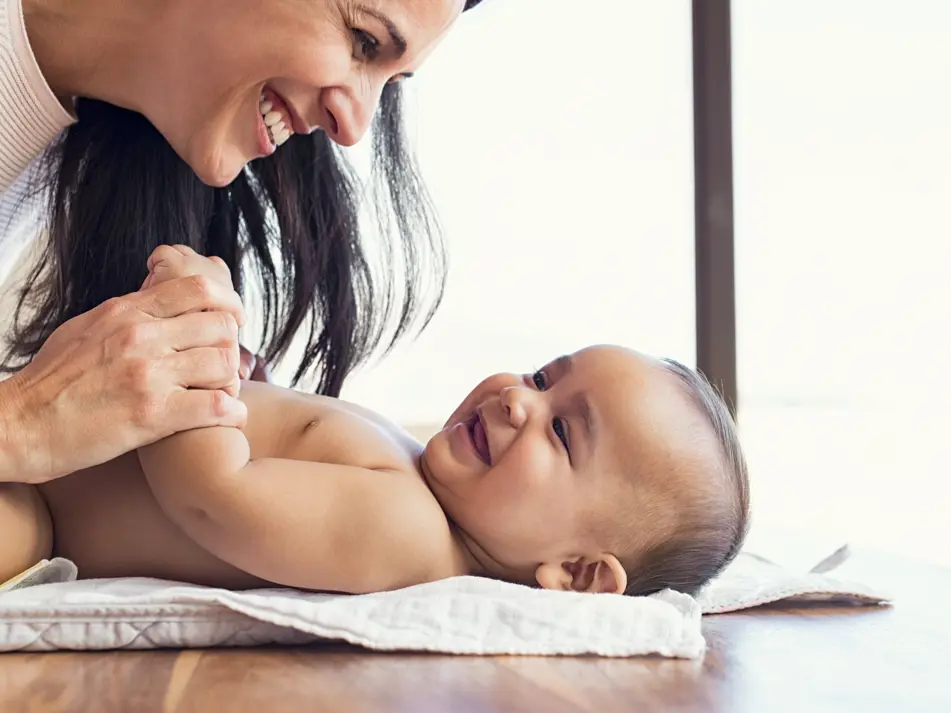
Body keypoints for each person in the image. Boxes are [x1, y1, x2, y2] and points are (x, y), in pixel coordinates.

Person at [1, 247, 750, 597]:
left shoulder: (409, 532)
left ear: (578, 575)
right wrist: (252, 387)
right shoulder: (415, 479)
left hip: (45, 511)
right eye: (543, 377)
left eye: (560, 432)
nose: (518, 400)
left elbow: (211, 497)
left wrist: (198, 341)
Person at [0, 0, 483, 486]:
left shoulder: (77, 148)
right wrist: (24, 421)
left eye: (390, 83)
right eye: (364, 41)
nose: (354, 128)